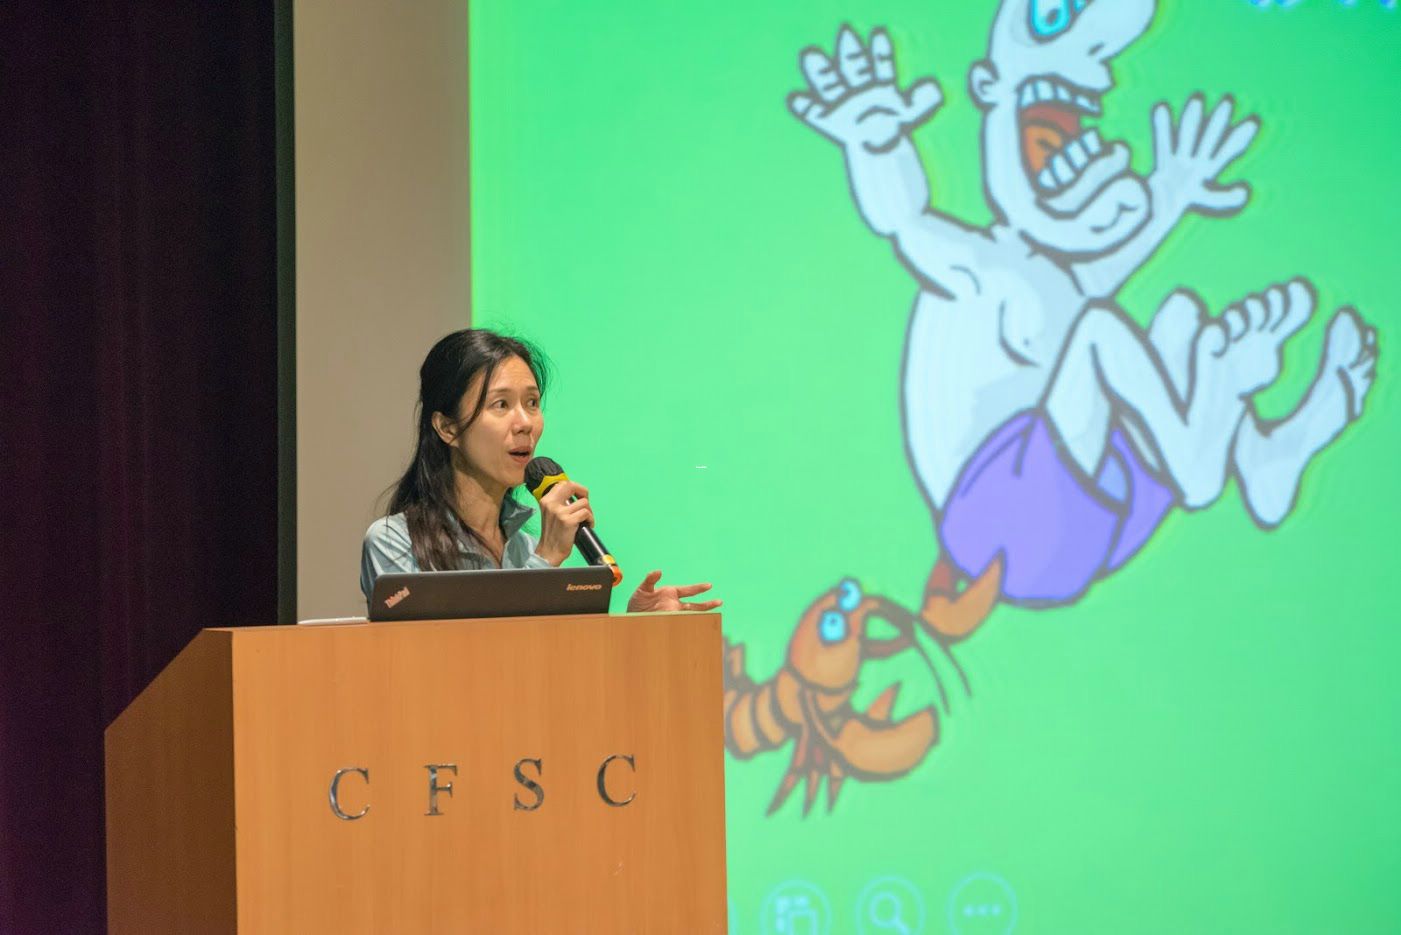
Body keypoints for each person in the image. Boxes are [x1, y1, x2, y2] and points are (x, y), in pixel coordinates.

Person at [360, 329, 721, 615]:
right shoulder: (395, 542)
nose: (525, 423)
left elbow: (545, 664)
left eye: (532, 403)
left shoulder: (523, 547)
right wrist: (545, 560)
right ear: (447, 428)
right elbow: (443, 662)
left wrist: (636, 625)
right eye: (501, 404)